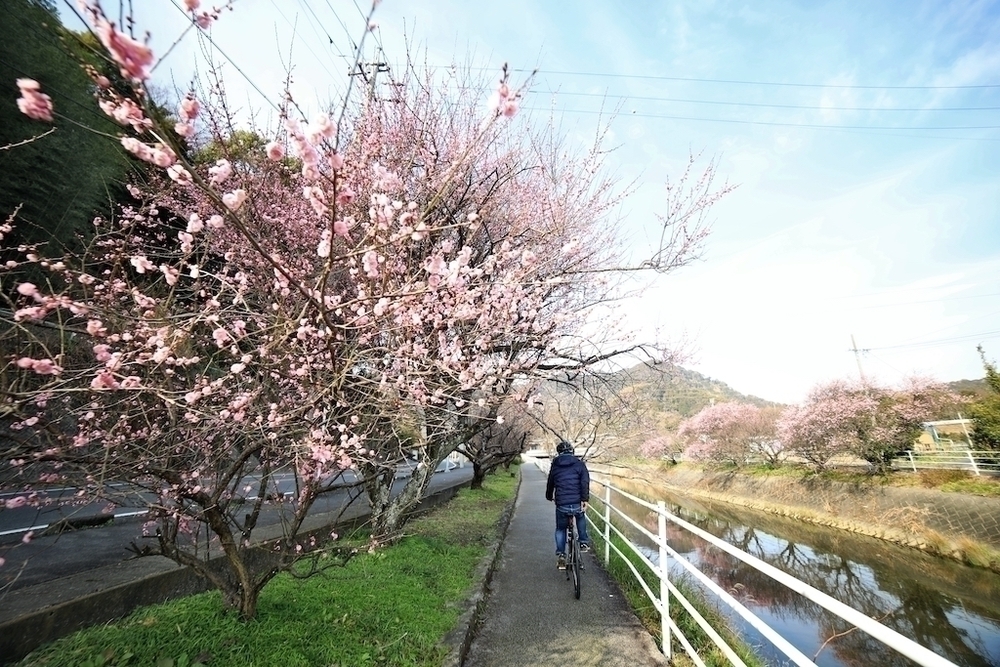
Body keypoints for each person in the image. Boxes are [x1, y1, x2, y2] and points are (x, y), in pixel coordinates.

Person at [545, 439, 592, 569]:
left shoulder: (555, 465)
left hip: (562, 503)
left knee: (561, 529)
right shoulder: (580, 464)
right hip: (576, 502)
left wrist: (549, 496)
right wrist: (585, 499)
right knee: (580, 516)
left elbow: (551, 482)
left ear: (559, 452)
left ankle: (561, 555)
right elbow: (585, 482)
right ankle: (583, 542)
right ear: (572, 451)